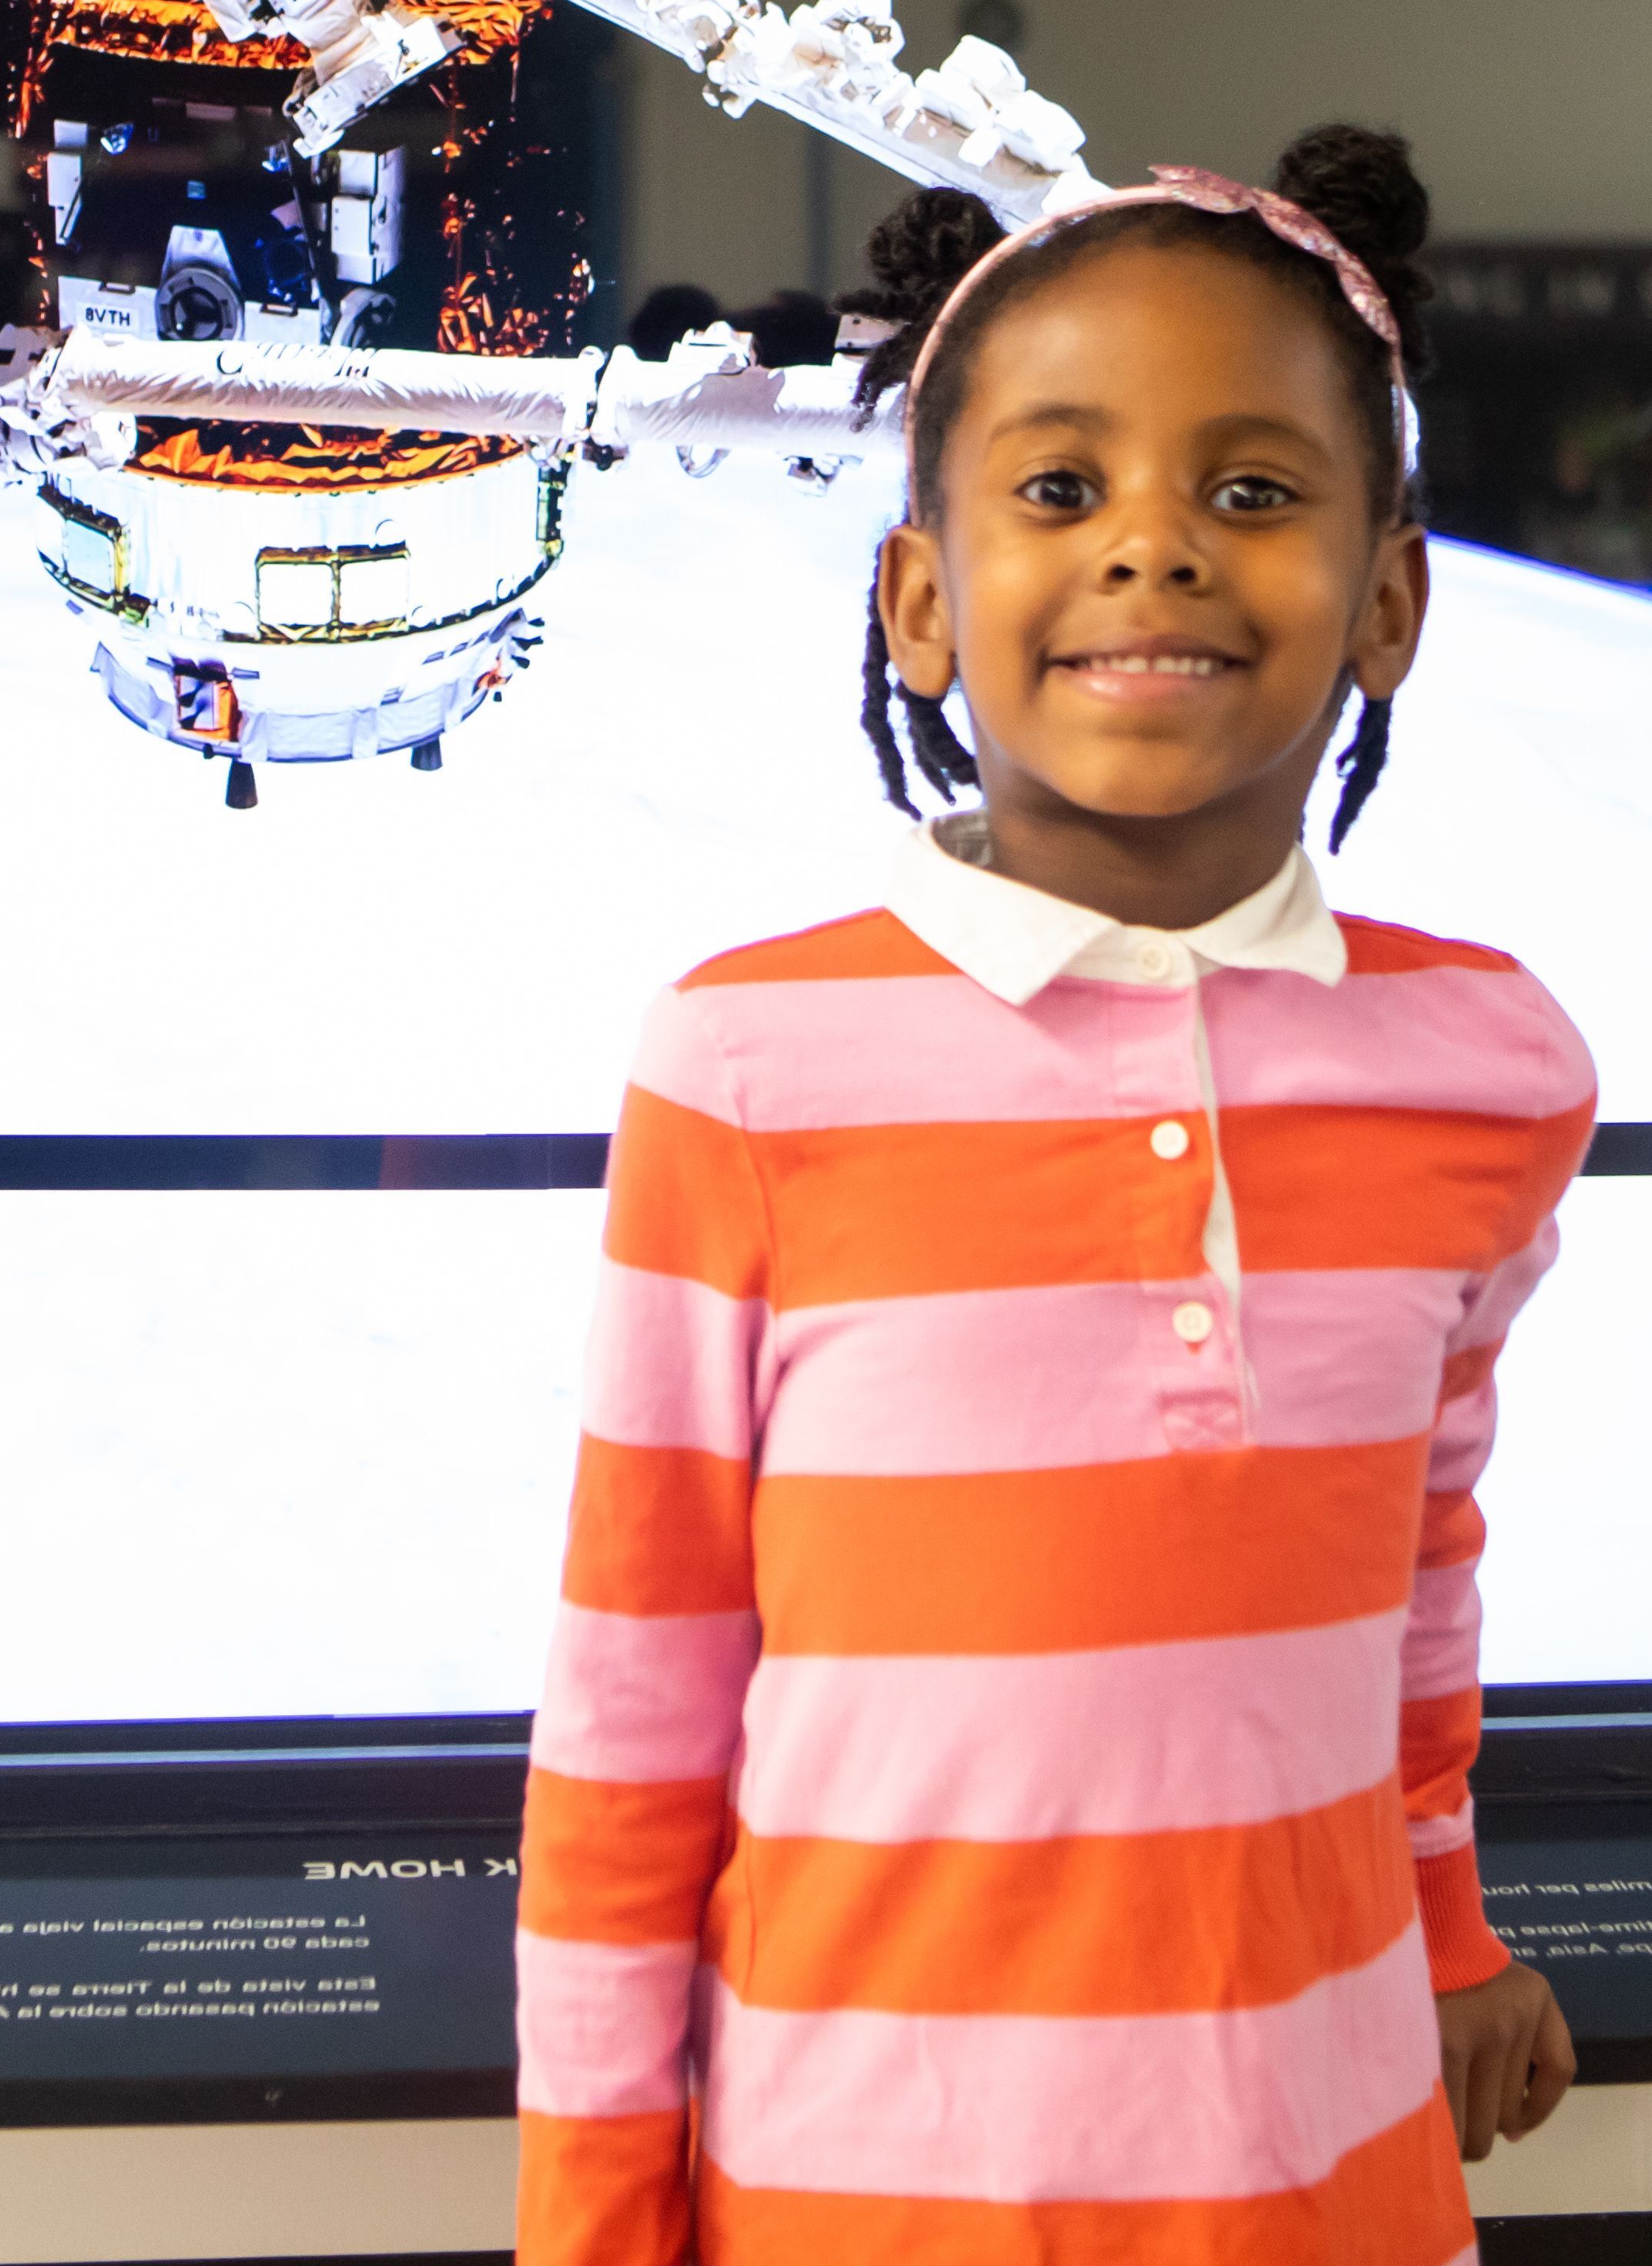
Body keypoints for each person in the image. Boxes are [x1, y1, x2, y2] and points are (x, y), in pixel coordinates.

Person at [517, 126, 1594, 2266]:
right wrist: (589, 2231)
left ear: (1388, 602)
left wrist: (1453, 1938)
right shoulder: (744, 1067)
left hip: (1337, 2193)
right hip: (857, 2213)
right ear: (920, 601)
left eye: (1256, 493)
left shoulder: (1488, 1068)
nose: (1158, 553)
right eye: (1060, 489)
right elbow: (633, 1723)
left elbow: (1418, 1582)